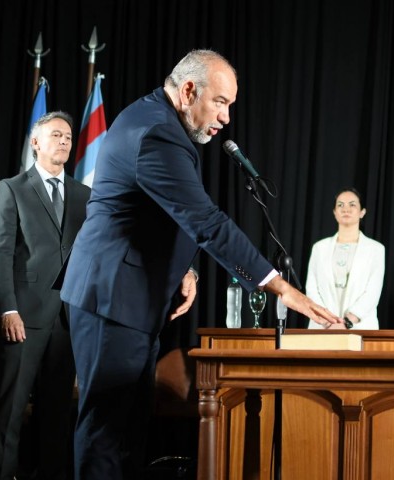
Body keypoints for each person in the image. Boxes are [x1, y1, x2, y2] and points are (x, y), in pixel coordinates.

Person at [59, 49, 342, 479]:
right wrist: (281, 288)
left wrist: (187, 270)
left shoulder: (158, 120)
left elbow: (164, 213)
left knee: (129, 433)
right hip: (111, 297)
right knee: (107, 434)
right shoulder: (156, 132)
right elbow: (205, 221)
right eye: (220, 102)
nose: (226, 117)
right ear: (189, 90)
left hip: (127, 298)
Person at [0, 111, 91, 480]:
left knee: (57, 411)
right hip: (24, 316)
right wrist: (8, 309)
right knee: (12, 409)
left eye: (68, 137)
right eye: (56, 135)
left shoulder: (84, 195)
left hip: (68, 319)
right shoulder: (12, 188)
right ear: (35, 143)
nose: (64, 141)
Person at [305, 188, 385, 329]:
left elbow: (372, 292)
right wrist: (328, 321)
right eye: (340, 205)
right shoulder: (319, 248)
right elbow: (311, 289)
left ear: (362, 212)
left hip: (360, 328)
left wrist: (347, 323)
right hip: (323, 327)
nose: (345, 209)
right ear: (334, 212)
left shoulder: (376, 249)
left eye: (352, 204)